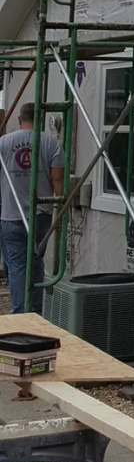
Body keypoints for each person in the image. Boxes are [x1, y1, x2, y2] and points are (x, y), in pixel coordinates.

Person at [0, 103, 64, 314]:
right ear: (40, 119)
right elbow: (58, 183)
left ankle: (21, 314)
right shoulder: (51, 143)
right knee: (35, 263)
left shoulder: (4, 142)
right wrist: (62, 216)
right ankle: (35, 313)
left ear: (19, 119)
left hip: (11, 215)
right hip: (41, 216)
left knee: (17, 267)